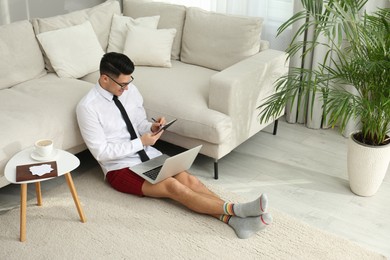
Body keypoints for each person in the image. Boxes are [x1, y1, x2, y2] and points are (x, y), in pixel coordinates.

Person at [76, 52, 273, 239]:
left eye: (129, 82)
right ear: (104, 79)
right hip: (119, 168)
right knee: (173, 187)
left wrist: (151, 127)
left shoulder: (130, 90)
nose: (126, 88)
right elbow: (101, 153)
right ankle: (237, 210)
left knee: (189, 180)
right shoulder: (88, 108)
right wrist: (140, 142)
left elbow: (138, 122)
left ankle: (236, 221)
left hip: (146, 153)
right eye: (122, 84)